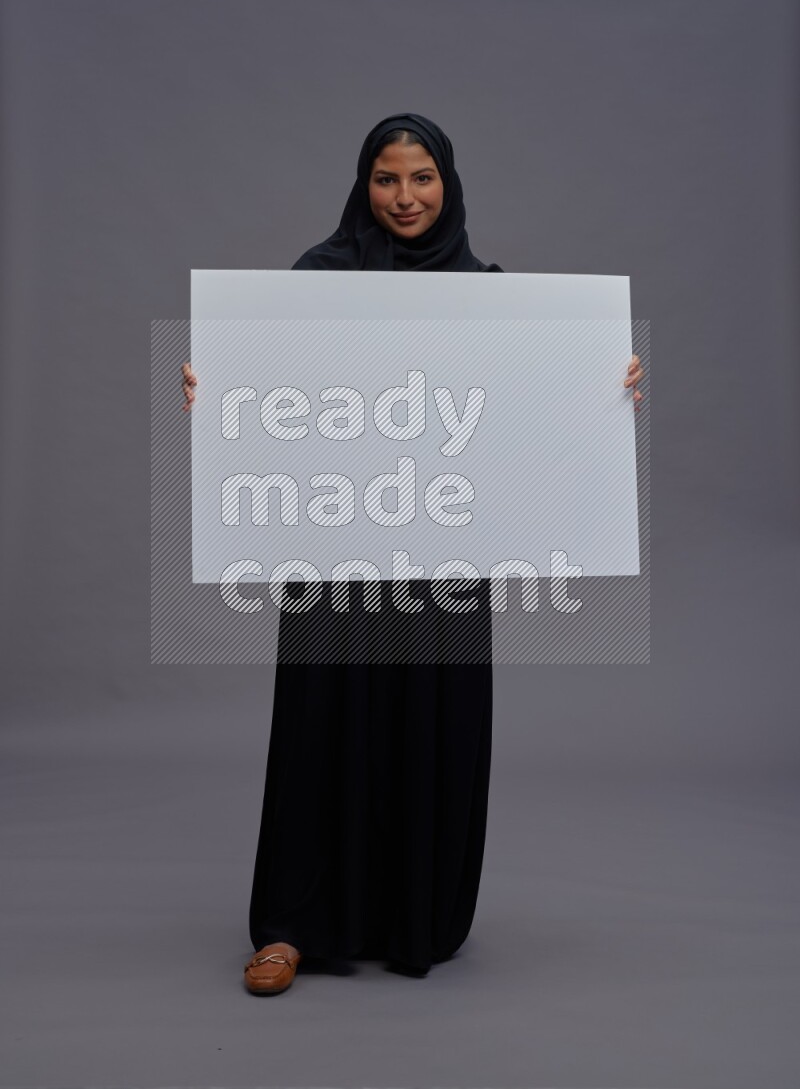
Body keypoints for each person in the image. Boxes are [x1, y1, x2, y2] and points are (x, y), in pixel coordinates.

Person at [181, 113, 645, 996]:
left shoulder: (488, 294)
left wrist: (603, 388)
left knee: (433, 727)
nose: (404, 197)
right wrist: (214, 387)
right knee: (320, 731)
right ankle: (288, 928)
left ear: (448, 184)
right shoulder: (317, 281)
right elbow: (267, 398)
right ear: (364, 183)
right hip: (333, 552)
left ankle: (414, 919)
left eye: (421, 177)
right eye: (387, 178)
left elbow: (529, 423)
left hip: (444, 559)